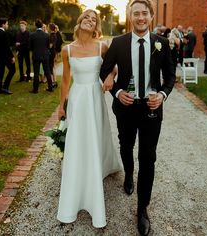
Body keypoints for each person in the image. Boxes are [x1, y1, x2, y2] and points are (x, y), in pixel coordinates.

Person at [100, 0, 175, 235]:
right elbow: (104, 71)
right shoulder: (119, 43)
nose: (140, 18)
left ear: (151, 16)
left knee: (148, 157)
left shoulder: (162, 44)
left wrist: (162, 94)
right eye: (136, 14)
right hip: (126, 107)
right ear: (130, 17)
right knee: (126, 146)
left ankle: (142, 209)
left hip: (151, 109)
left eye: (144, 13)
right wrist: (118, 92)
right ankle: (129, 174)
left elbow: (170, 77)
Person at [57, 9, 122, 228]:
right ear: (80, 21)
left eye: (94, 20)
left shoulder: (102, 46)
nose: (90, 21)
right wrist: (61, 105)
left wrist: (111, 78)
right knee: (78, 138)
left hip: (95, 96)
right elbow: (66, 80)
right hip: (77, 98)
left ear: (96, 26)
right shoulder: (67, 50)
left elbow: (113, 68)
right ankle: (78, 174)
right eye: (87, 17)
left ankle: (99, 168)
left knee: (97, 135)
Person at [29, 19, 53, 93]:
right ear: (42, 25)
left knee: (36, 73)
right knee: (47, 72)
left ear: (35, 25)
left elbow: (30, 47)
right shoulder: (46, 35)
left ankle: (35, 90)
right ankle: (50, 88)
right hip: (45, 56)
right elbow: (48, 46)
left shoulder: (32, 35)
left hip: (36, 55)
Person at [0, 18, 15, 94]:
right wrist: (12, 56)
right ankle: (5, 87)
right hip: (5, 56)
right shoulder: (4, 33)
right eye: (7, 24)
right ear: (3, 24)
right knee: (12, 70)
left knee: (0, 72)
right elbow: (6, 47)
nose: (8, 25)